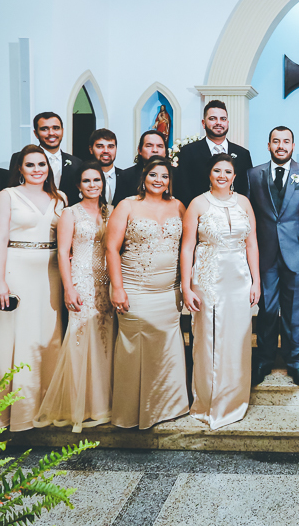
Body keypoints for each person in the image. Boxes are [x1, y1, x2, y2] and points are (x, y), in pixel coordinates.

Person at [106, 156, 189, 429]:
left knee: (167, 349)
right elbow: (111, 249)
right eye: (154, 175)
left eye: (164, 176)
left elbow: (186, 248)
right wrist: (117, 288)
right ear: (144, 177)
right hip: (135, 289)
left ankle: (169, 406)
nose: (159, 180)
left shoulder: (178, 206)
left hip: (168, 292)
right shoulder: (127, 205)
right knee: (136, 348)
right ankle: (132, 410)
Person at [0, 144, 67, 432]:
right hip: (16, 268)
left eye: (42, 164)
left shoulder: (60, 198)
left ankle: (44, 405)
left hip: (51, 273)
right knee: (13, 337)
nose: (37, 170)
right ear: (20, 169)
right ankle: (8, 413)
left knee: (47, 336)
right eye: (31, 165)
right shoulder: (7, 196)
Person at [182, 153, 261, 429]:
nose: (223, 176)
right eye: (217, 170)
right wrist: (185, 286)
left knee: (238, 339)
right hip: (207, 278)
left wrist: (256, 281)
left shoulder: (244, 203)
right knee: (208, 339)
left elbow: (252, 243)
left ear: (235, 176)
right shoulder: (197, 204)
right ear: (210, 174)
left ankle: (234, 401)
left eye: (228, 171)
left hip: (239, 279)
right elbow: (187, 246)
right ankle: (207, 402)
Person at [35, 162, 115, 432]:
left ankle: (103, 403)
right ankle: (80, 405)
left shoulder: (110, 211)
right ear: (79, 186)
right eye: (87, 181)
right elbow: (62, 253)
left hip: (105, 280)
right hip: (81, 278)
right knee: (81, 336)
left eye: (97, 180)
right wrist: (69, 287)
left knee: (105, 337)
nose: (93, 185)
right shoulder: (70, 213)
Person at [246, 126, 299, 386]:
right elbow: (247, 216)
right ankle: (264, 360)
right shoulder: (253, 174)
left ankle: (295, 362)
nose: (281, 145)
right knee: (267, 310)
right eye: (276, 141)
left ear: (293, 145)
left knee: (295, 312)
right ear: (268, 145)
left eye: (286, 141)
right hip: (265, 253)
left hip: (298, 254)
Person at [175, 100, 253, 206]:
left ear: (227, 123)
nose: (218, 123)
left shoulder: (243, 154)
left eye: (223, 119)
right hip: (200, 214)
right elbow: (183, 189)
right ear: (203, 123)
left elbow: (246, 190)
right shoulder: (188, 152)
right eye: (213, 118)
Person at [33, 112, 81, 203]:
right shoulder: (22, 159)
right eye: (44, 129)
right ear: (36, 133)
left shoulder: (77, 163)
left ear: (62, 131)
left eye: (56, 128)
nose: (51, 133)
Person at [116, 129, 168, 202]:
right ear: (140, 150)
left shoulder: (176, 174)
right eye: (149, 146)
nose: (155, 150)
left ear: (165, 151)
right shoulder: (126, 175)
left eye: (160, 146)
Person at [88, 128, 127, 206]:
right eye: (100, 146)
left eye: (111, 146)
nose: (106, 151)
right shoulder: (84, 177)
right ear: (91, 149)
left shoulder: (127, 177)